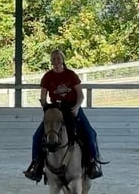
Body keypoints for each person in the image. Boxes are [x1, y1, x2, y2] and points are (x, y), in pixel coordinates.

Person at [23, 49, 104, 182]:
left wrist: (77, 107)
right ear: (51, 61)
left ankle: (92, 163)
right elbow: (43, 97)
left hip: (72, 108)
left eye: (58, 58)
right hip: (56, 109)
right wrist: (47, 109)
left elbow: (80, 95)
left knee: (90, 133)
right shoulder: (47, 77)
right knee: (37, 137)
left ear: (63, 59)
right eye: (53, 59)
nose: (56, 61)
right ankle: (36, 166)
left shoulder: (71, 75)